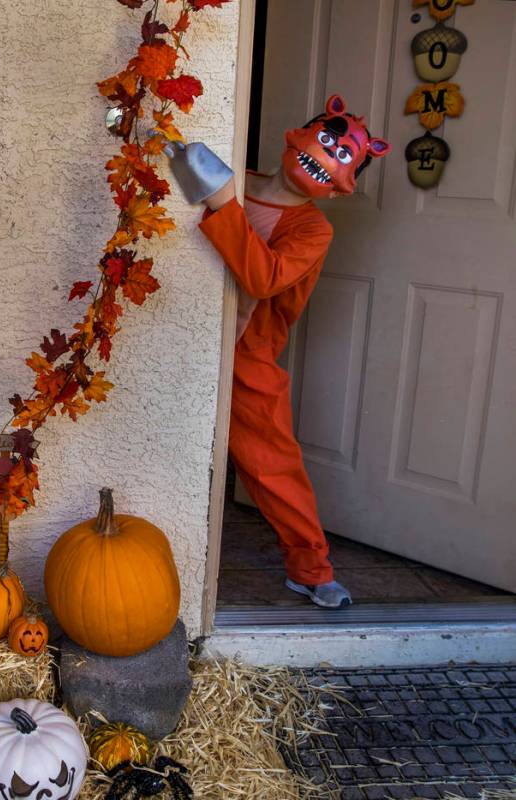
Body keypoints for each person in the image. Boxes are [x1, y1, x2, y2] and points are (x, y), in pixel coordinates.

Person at [167, 94, 391, 608]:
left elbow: (264, 277)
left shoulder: (312, 228)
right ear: (299, 133)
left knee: (271, 463)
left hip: (250, 352)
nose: (327, 154)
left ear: (342, 184)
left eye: (343, 155)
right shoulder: (233, 178)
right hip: (184, 332)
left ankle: (310, 567)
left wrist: (223, 201)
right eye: (327, 139)